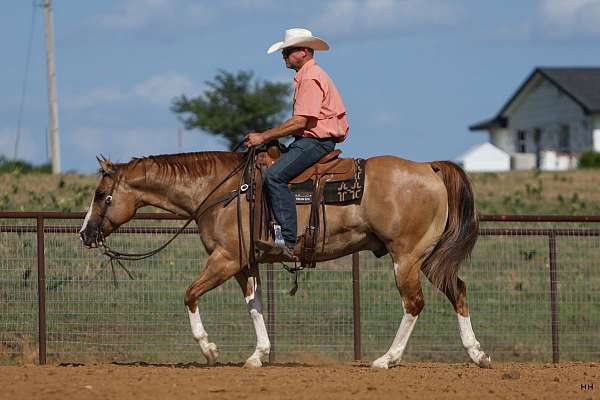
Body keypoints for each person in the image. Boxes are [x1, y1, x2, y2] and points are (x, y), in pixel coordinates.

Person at [244, 28, 349, 261]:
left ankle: (289, 241)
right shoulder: (310, 75)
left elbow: (301, 121)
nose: (284, 56)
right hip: (312, 140)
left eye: (288, 51)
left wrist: (263, 137)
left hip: (315, 142)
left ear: (303, 51)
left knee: (274, 176)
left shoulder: (310, 78)